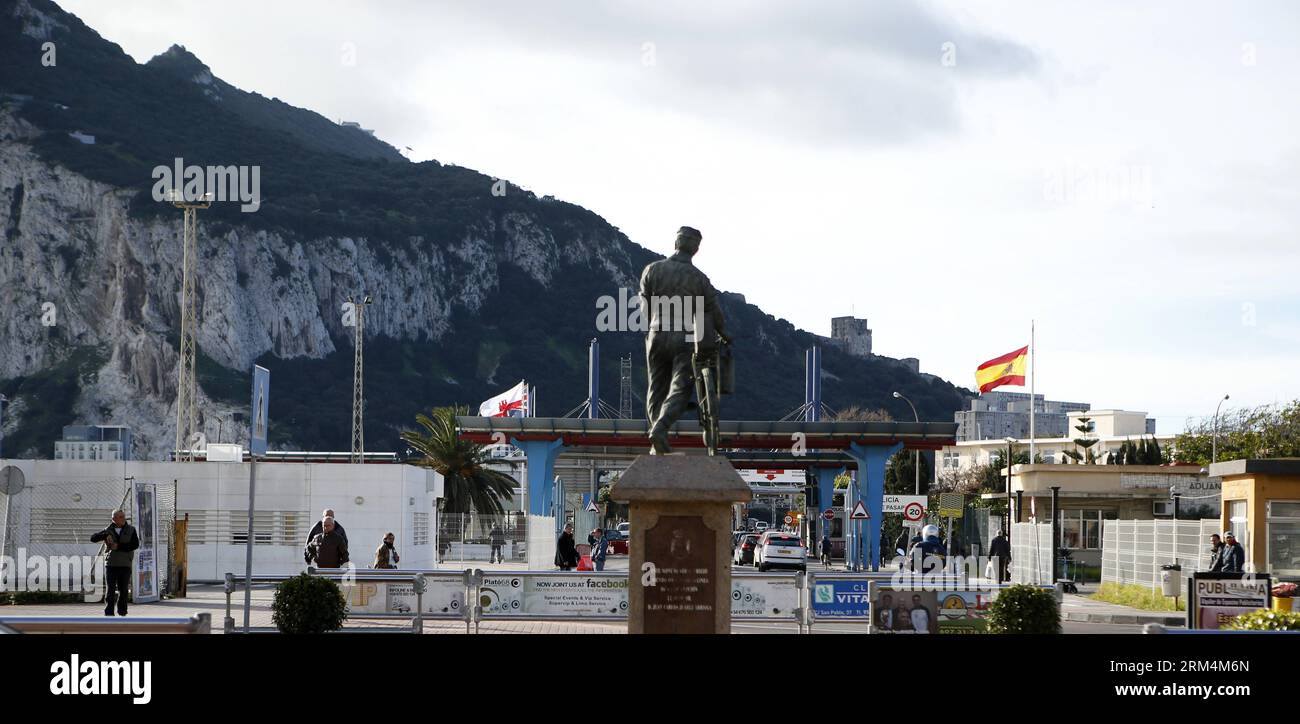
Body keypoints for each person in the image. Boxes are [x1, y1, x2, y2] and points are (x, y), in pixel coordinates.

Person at [639, 226, 728, 455]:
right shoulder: (699, 279)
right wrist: (726, 335)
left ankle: (656, 441)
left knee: (656, 387)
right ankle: (660, 428)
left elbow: (645, 307)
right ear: (696, 249)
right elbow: (715, 313)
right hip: (685, 338)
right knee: (681, 387)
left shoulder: (652, 270)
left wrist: (653, 327)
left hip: (656, 333)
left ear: (676, 243)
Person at [90, 509, 139, 617]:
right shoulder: (108, 530)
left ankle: (122, 611)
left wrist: (119, 546)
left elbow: (135, 545)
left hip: (125, 564)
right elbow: (93, 538)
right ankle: (109, 612)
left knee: (123, 590)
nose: (123, 519)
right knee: (110, 590)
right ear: (113, 519)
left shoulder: (131, 530)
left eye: (123, 516)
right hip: (111, 564)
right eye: (120, 517)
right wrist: (103, 536)